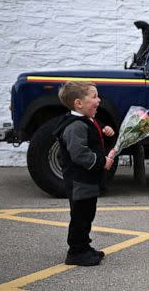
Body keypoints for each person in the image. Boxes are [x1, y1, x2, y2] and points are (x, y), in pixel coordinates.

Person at [54, 81, 115, 265]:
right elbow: (80, 154)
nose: (99, 100)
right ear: (78, 104)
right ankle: (76, 252)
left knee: (87, 214)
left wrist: (105, 131)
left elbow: (92, 134)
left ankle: (84, 246)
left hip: (87, 181)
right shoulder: (75, 126)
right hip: (80, 181)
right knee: (80, 217)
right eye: (94, 96)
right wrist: (103, 162)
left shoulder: (85, 119)